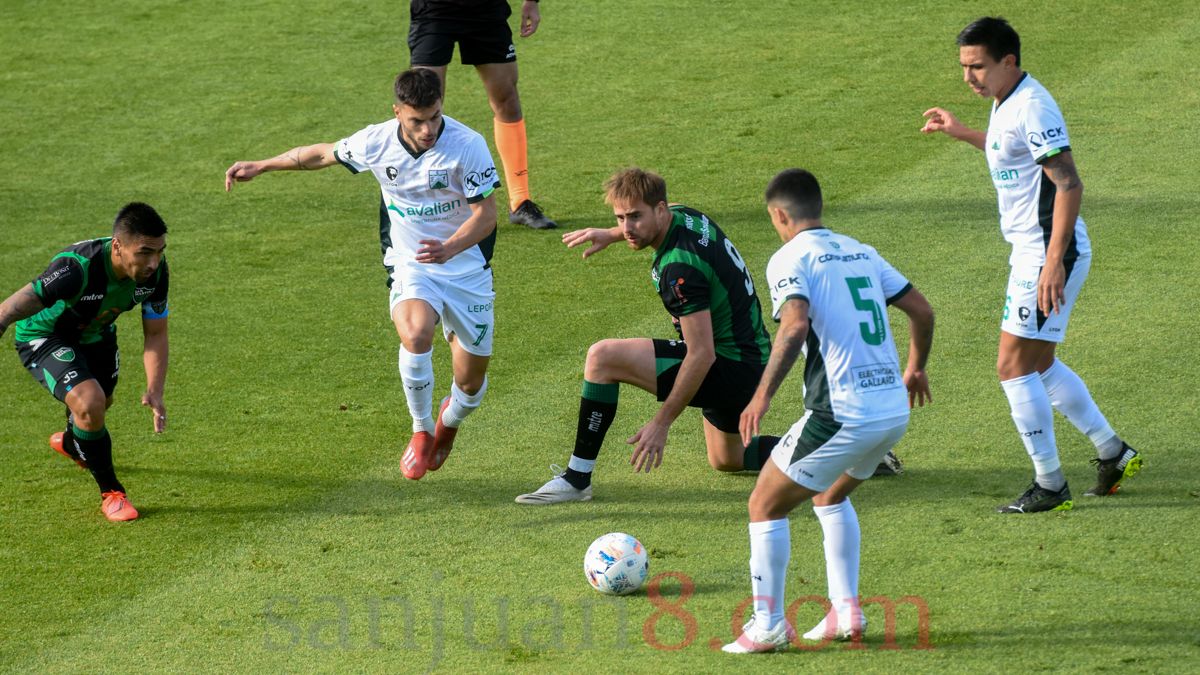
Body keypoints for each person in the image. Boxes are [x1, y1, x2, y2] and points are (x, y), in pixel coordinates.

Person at [224, 69, 499, 480]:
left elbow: (487, 215)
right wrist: (264, 165)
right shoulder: (377, 141)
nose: (428, 130)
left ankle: (449, 421)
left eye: (435, 117)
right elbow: (321, 154)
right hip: (412, 262)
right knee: (416, 334)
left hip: (465, 268)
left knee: (471, 385)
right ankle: (422, 430)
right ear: (397, 112)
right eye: (417, 121)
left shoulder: (467, 145)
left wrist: (450, 247)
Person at [921, 16, 1141, 513]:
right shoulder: (1006, 98)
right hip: (1033, 250)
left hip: (1046, 253)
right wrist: (963, 132)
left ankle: (1050, 484)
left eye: (977, 67)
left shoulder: (1034, 106)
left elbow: (1069, 183)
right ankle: (1113, 451)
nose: (968, 77)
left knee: (1012, 367)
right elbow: (1012, 151)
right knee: (1038, 364)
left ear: (1008, 61)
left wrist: (1052, 263)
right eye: (963, 67)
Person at [723, 169, 934, 653]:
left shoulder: (789, 257)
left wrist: (762, 395)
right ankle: (846, 611)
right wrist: (916, 368)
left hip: (841, 414)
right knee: (830, 496)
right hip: (891, 412)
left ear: (779, 215)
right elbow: (922, 310)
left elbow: (794, 326)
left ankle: (768, 625)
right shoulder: (861, 251)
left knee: (764, 504)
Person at [515, 168, 778, 505]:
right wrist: (611, 235)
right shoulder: (685, 216)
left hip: (732, 367)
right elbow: (652, 216)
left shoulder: (679, 269)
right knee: (727, 458)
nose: (627, 227)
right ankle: (829, 449)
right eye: (620, 218)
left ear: (660, 209)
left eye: (635, 217)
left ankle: (576, 479)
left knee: (603, 358)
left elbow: (702, 354)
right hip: (753, 356)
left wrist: (661, 423)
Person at [0, 203, 170, 522]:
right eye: (145, 252)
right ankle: (112, 493)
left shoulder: (156, 273)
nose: (153, 262)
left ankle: (71, 442)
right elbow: (12, 307)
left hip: (96, 334)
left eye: (160, 251)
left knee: (101, 404)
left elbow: (156, 333)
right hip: (45, 336)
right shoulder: (77, 267)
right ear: (117, 246)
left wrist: (155, 389)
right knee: (90, 403)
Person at [409, 0, 556, 230]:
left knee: (507, 101)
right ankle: (427, 204)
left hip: (486, 10)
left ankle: (520, 201)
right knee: (423, 104)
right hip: (434, 11)